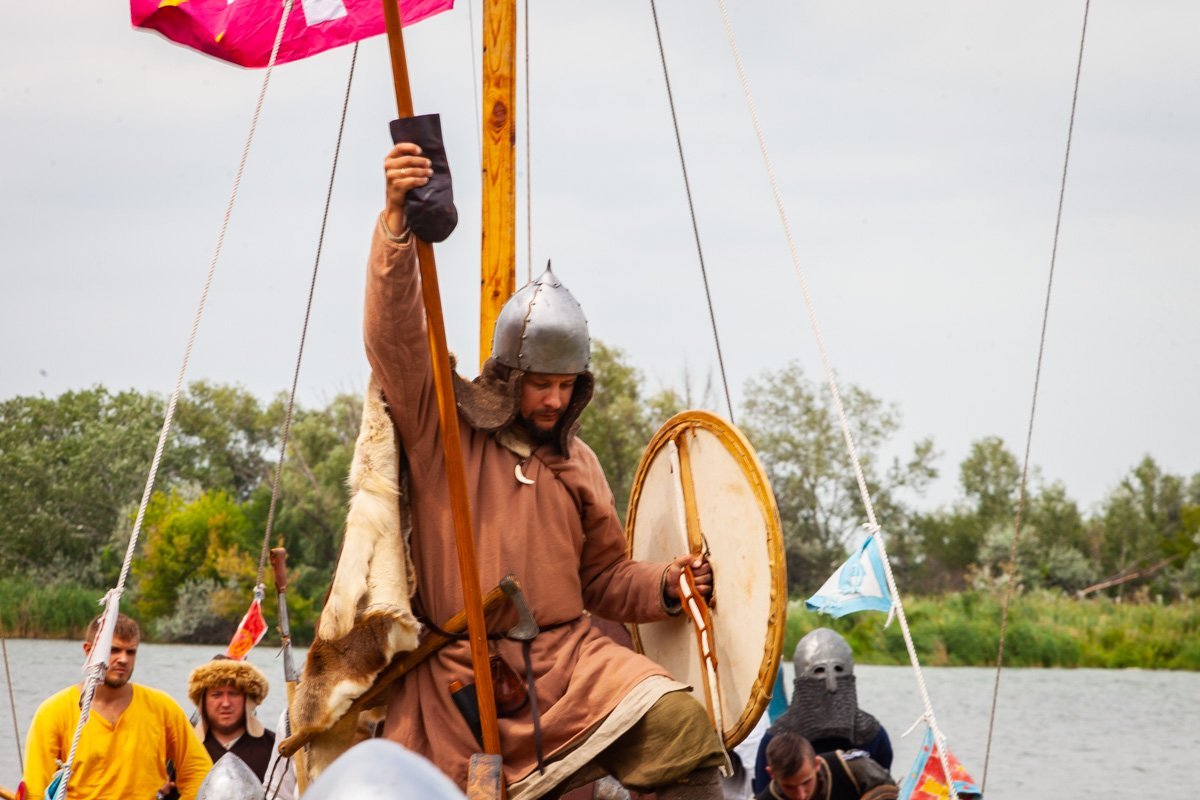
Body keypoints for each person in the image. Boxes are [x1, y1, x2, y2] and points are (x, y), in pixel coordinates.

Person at [365, 142, 727, 799]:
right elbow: (395, 338)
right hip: (460, 686)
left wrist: (670, 585)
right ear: (509, 377)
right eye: (541, 385)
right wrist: (395, 221)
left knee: (682, 727)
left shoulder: (578, 464)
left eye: (566, 385)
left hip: (571, 670)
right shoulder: (444, 436)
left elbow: (605, 580)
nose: (555, 400)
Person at [22, 613, 212, 800]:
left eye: (131, 652)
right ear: (89, 650)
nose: (123, 659)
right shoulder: (55, 711)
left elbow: (197, 771)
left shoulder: (162, 707)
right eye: (114, 650)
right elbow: (35, 789)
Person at [753, 629, 892, 795]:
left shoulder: (871, 734)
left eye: (838, 670)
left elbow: (884, 788)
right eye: (818, 672)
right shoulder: (777, 743)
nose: (830, 684)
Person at [187, 656, 275, 781]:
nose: (226, 703)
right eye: (216, 695)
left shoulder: (275, 748)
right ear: (203, 701)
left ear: (248, 699)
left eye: (234, 694)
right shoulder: (184, 749)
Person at [755, 733, 895, 800]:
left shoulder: (852, 769)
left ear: (816, 764)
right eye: (789, 787)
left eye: (806, 782)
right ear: (771, 774)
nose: (801, 796)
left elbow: (889, 789)